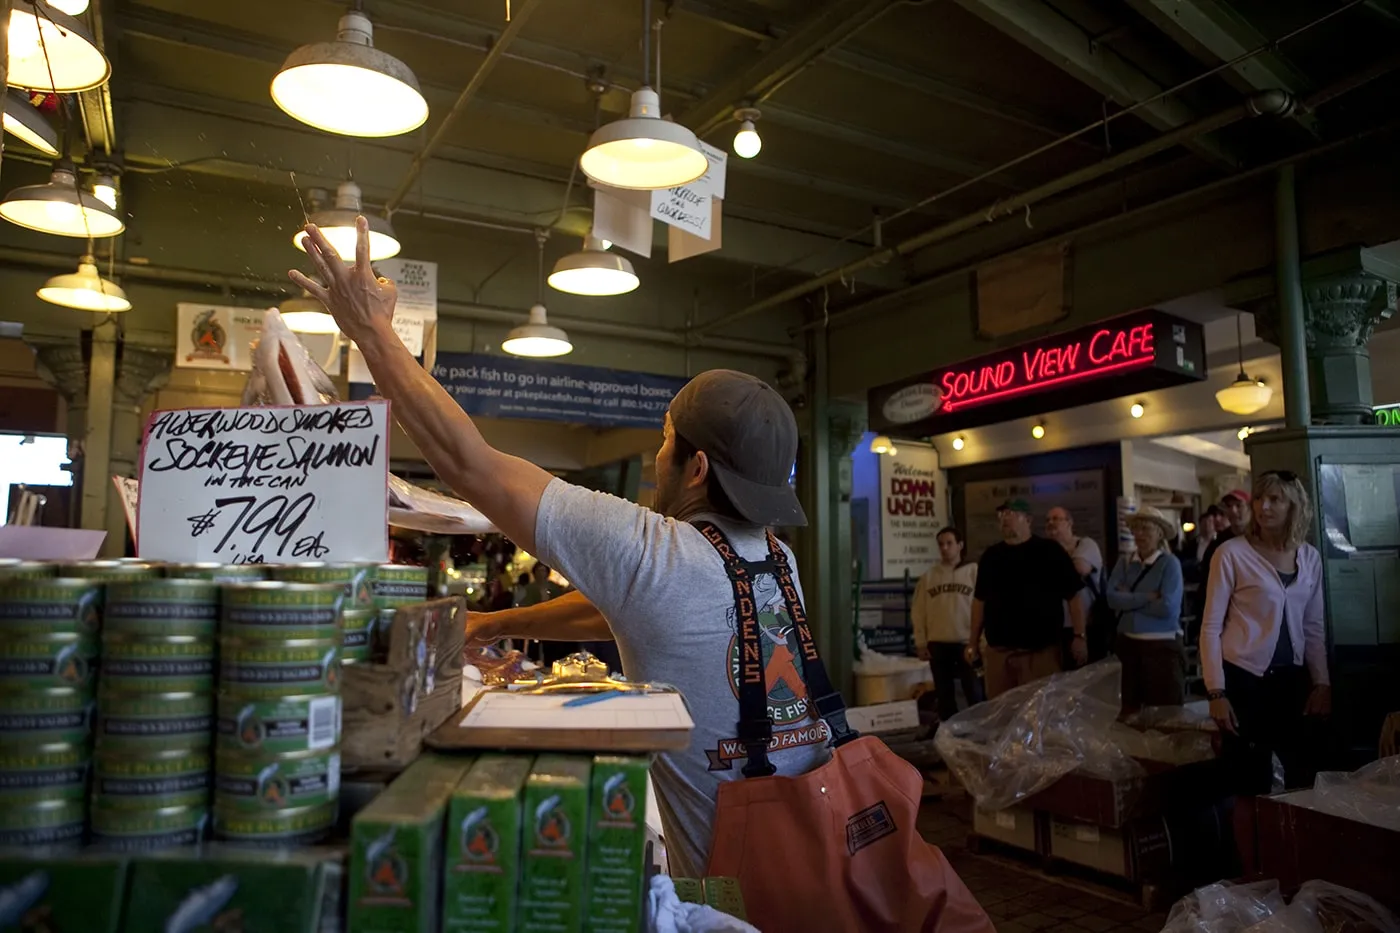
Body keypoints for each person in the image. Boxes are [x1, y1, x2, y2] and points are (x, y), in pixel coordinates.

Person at [288, 219, 829, 878]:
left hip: (739, 899)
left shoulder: (652, 552)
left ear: (697, 470)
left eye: (664, 441)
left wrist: (371, 331)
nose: (657, 455)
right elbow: (640, 612)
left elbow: (471, 464)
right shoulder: (777, 561)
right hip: (814, 856)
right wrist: (499, 622)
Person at [1200, 471, 1330, 796]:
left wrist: (1322, 681)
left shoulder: (1310, 557)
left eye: (1275, 499)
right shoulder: (1231, 553)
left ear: (1294, 506)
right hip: (1243, 680)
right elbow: (1211, 627)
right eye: (1259, 498)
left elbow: (1313, 627)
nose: (1263, 506)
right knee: (1246, 779)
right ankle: (1247, 845)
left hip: (1291, 681)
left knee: (1301, 776)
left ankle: (1291, 844)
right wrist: (1216, 692)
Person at [965, 498, 1086, 699]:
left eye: (1011, 513)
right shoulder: (991, 556)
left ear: (1028, 519)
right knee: (1001, 712)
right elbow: (980, 601)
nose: (1005, 518)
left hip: (1040, 652)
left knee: (1039, 711)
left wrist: (1079, 636)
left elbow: (1074, 597)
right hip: (1000, 652)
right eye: (1002, 514)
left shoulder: (1050, 551)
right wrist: (972, 642)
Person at [1106, 507, 1185, 714]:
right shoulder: (1125, 562)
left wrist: (1129, 598)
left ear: (1159, 533)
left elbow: (1168, 608)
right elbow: (1112, 599)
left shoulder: (1170, 564)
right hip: (1127, 646)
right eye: (1136, 529)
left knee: (1165, 714)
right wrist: (1147, 596)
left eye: (1146, 529)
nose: (1140, 534)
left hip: (1161, 648)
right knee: (1128, 713)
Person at [912, 527, 982, 723]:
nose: (944, 548)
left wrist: (980, 640)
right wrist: (921, 641)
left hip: (966, 641)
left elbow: (983, 606)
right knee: (944, 693)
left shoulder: (973, 572)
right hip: (938, 641)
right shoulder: (929, 577)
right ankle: (948, 733)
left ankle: (979, 729)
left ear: (960, 545)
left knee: (973, 690)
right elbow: (918, 611)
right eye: (941, 544)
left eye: (949, 543)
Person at [1045, 506, 1103, 667]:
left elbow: (1080, 568)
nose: (1051, 523)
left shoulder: (1086, 544)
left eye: (1056, 519)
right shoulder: (1046, 551)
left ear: (1069, 523)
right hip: (1056, 628)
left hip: (1085, 626)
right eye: (1048, 520)